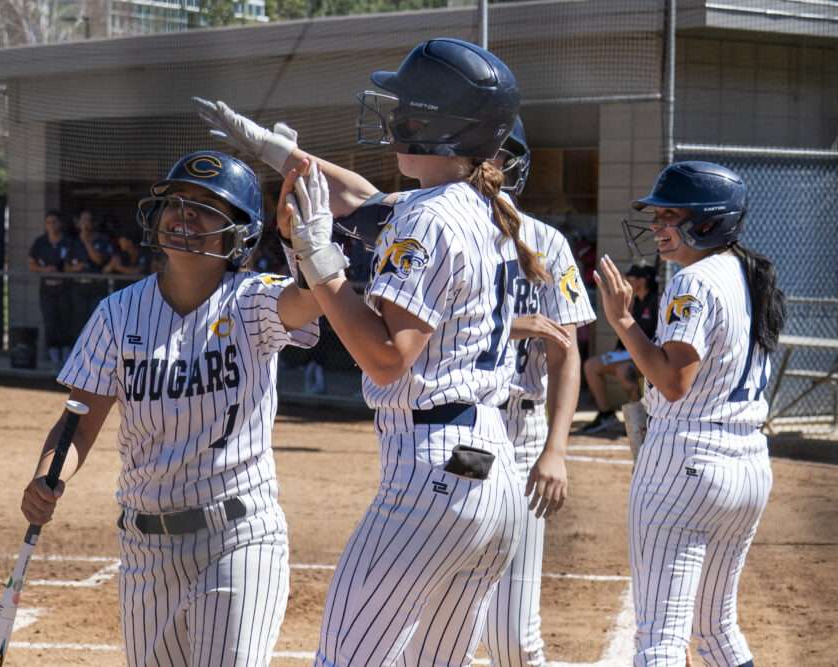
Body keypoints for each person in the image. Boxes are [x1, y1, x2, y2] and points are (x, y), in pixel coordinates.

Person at [281, 38, 541, 666]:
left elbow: (387, 357)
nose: (394, 113)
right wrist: (279, 154)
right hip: (491, 469)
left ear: (438, 122)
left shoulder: (428, 215)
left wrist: (320, 262)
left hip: (432, 472)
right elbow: (365, 206)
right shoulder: (487, 207)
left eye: (406, 103)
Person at [19, 151, 322, 667]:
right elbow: (78, 421)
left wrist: (304, 243)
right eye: (176, 203)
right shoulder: (116, 314)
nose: (185, 215)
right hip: (146, 549)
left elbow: (310, 300)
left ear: (238, 234)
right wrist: (48, 475)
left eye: (206, 207)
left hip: (239, 537)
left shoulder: (252, 302)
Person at [595, 161, 783, 666]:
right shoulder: (751, 274)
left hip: (687, 462)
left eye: (668, 215)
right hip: (747, 462)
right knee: (716, 631)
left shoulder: (693, 280)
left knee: (660, 639)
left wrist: (622, 321)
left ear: (707, 221)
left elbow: (673, 381)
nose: (657, 226)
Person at [483, 117, 597, 667]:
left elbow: (566, 350)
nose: (490, 164)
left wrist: (557, 448)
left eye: (499, 155)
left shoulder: (545, 242)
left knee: (512, 635)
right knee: (435, 618)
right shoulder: (435, 227)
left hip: (521, 428)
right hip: (450, 426)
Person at [579, 263, 659, 434]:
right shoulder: (634, 301)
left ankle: (642, 421)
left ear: (642, 281)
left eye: (631, 277)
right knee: (591, 365)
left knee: (625, 372)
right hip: (629, 354)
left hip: (647, 357)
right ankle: (606, 414)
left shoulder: (656, 301)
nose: (626, 281)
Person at [28, 209, 75, 369]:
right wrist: (45, 270)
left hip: (65, 288)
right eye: (48, 222)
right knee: (50, 321)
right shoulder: (40, 242)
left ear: (60, 224)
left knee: (66, 321)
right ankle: (54, 358)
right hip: (47, 289)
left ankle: (67, 355)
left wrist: (63, 270)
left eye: (54, 222)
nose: (52, 226)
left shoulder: (68, 242)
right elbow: (32, 264)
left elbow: (76, 264)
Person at [66, 208, 113, 338]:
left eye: (88, 220)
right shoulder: (73, 241)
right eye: (83, 220)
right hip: (79, 287)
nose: (85, 224)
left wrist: (86, 241)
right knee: (78, 320)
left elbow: (98, 260)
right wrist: (76, 268)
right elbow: (66, 267)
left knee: (96, 320)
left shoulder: (102, 239)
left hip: (96, 287)